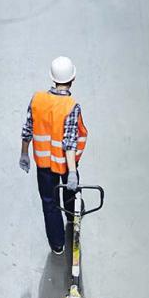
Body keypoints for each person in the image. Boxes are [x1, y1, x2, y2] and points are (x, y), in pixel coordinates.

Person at [19, 56, 88, 255]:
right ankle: (73, 216)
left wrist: (25, 153)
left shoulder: (37, 99)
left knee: (49, 203)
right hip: (65, 164)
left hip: (43, 165)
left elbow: (27, 129)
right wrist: (73, 172)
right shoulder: (71, 106)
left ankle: (57, 244)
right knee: (70, 190)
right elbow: (69, 143)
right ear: (72, 79)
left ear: (52, 78)